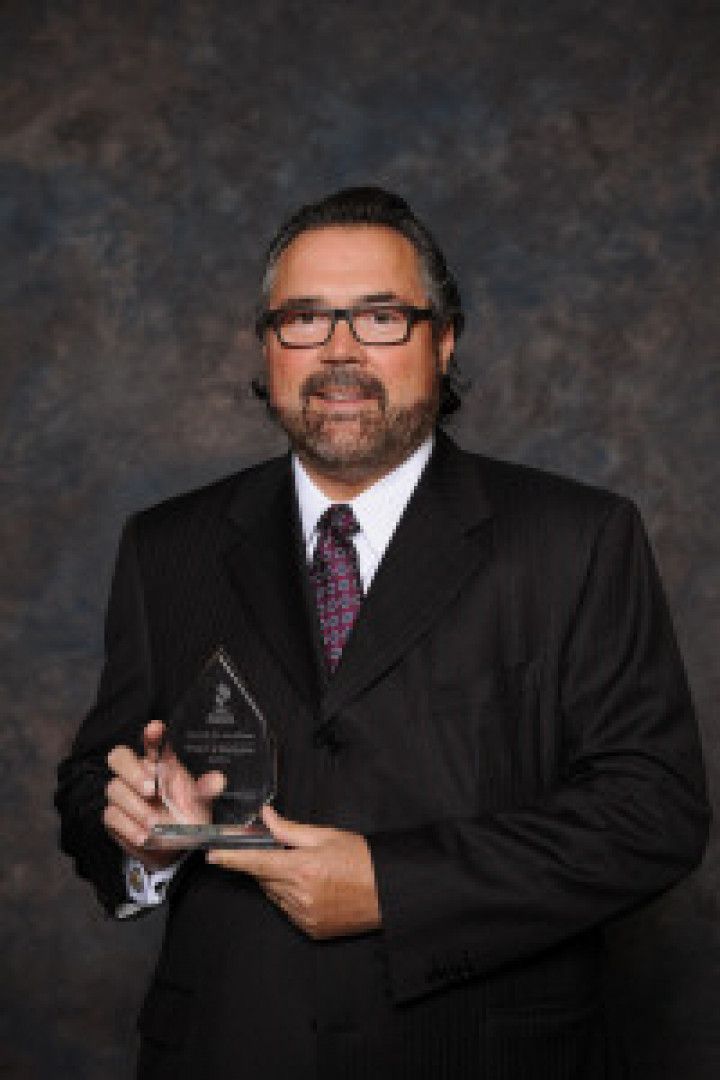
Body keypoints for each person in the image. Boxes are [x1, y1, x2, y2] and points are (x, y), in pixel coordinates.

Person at [55, 186, 709, 1080]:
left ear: (444, 341)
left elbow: (652, 815)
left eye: (379, 317)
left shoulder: (576, 538)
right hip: (227, 1048)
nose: (339, 352)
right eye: (305, 319)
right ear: (268, 345)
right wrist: (136, 839)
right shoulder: (168, 545)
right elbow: (97, 775)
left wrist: (394, 889)